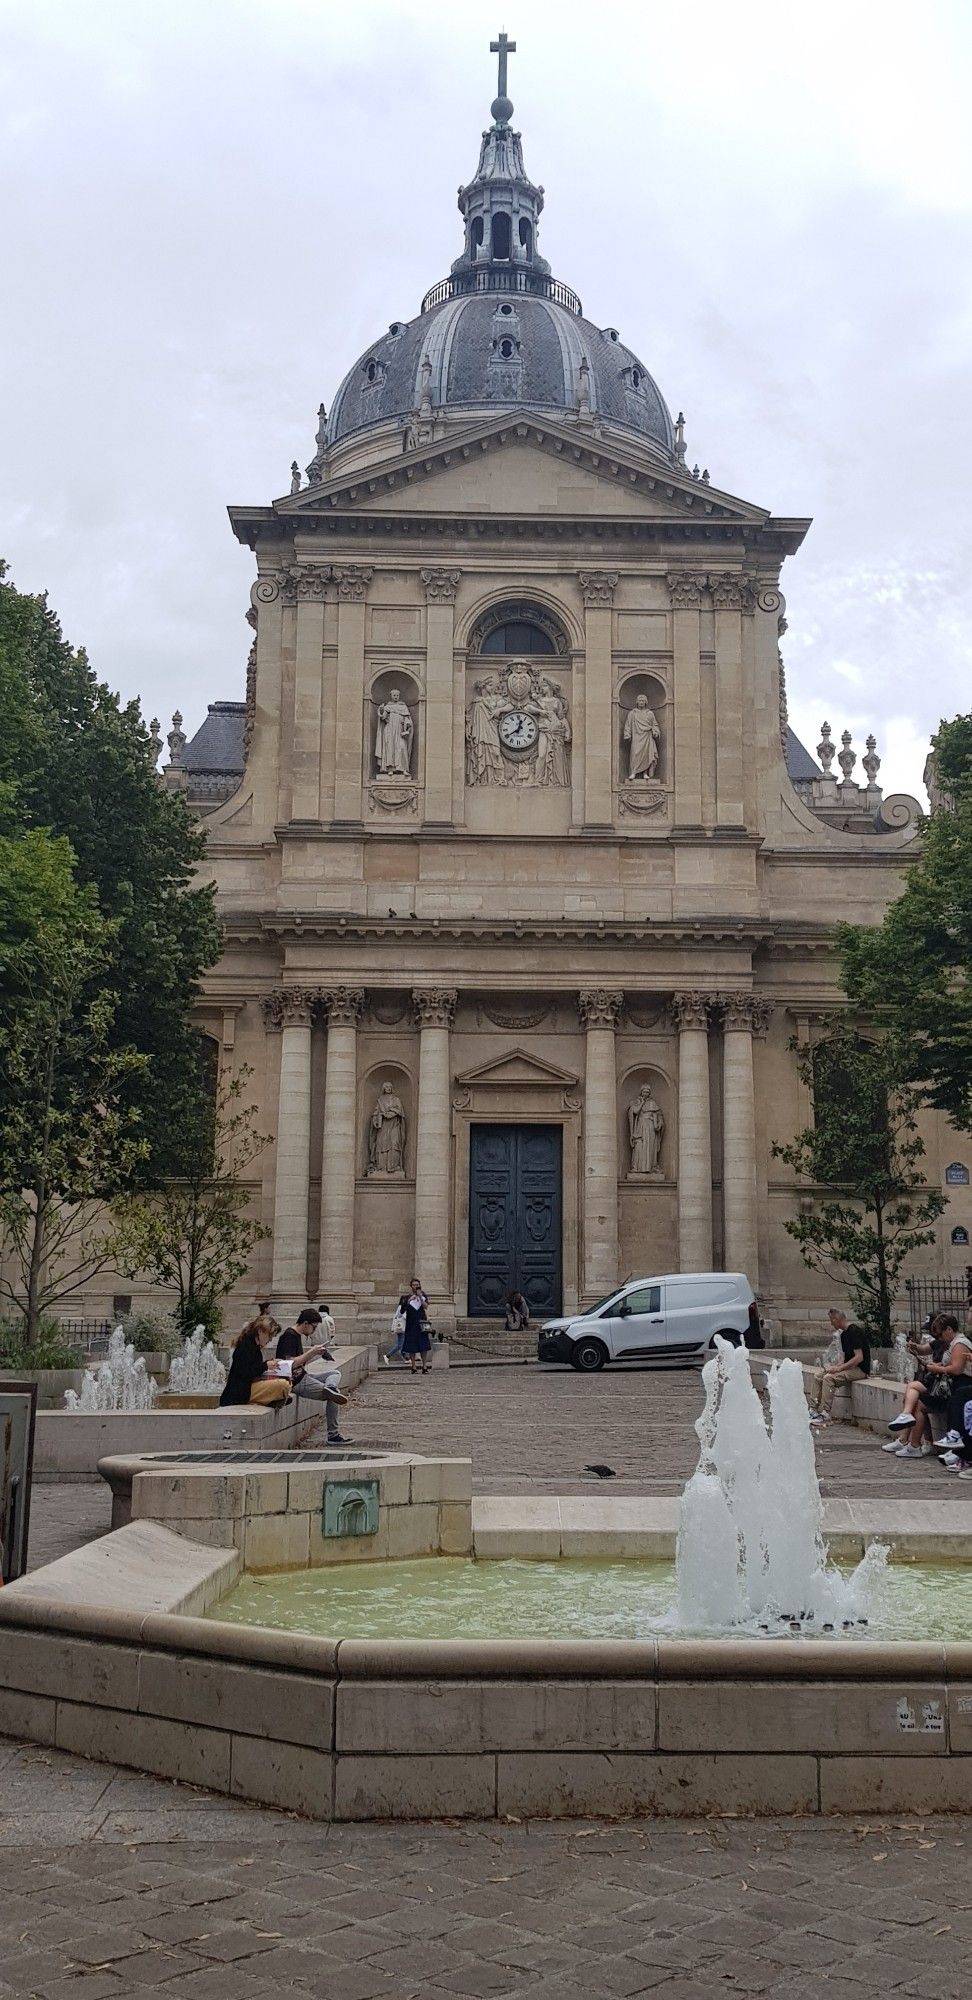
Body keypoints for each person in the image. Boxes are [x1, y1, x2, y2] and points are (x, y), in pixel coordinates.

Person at [275, 1306, 350, 1444]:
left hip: (303, 1376)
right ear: (305, 1324)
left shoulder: (296, 1335)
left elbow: (300, 1361)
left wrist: (317, 1353)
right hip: (295, 1381)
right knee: (334, 1397)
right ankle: (333, 1435)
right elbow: (289, 1363)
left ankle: (330, 1386)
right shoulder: (289, 1336)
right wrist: (312, 1352)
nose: (314, 1331)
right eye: (314, 1327)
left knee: (335, 1373)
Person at [882, 1315, 953, 1455]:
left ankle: (913, 1443)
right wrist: (915, 1348)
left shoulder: (954, 1344)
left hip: (943, 1389)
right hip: (935, 1385)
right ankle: (906, 1438)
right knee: (911, 1395)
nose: (935, 1336)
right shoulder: (939, 1342)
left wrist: (935, 1366)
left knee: (916, 1399)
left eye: (937, 1332)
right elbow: (924, 1349)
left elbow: (952, 1366)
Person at [808, 1308, 870, 1425]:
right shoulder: (844, 1334)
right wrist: (835, 1367)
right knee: (818, 1376)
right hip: (850, 1368)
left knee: (828, 1378)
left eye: (831, 1321)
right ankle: (813, 1410)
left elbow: (859, 1357)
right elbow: (846, 1358)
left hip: (860, 1370)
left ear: (836, 1320)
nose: (831, 1324)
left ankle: (826, 1413)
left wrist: (840, 1369)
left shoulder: (854, 1332)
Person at [220, 1314, 289, 1407]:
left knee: (285, 1381)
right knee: (282, 1385)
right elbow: (246, 1373)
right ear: (260, 1331)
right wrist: (265, 1365)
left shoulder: (254, 1346)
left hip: (246, 1388)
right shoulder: (246, 1345)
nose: (269, 1340)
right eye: (269, 1336)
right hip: (240, 1393)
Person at [399, 1278, 432, 1375]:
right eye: (414, 1285)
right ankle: (413, 1366)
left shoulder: (423, 1295)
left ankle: (424, 1366)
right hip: (411, 1323)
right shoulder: (405, 1297)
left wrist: (421, 1297)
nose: (416, 1286)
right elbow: (401, 1311)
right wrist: (409, 1301)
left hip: (421, 1323)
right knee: (411, 1345)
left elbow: (426, 1307)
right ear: (411, 1286)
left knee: (423, 1345)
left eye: (417, 1284)